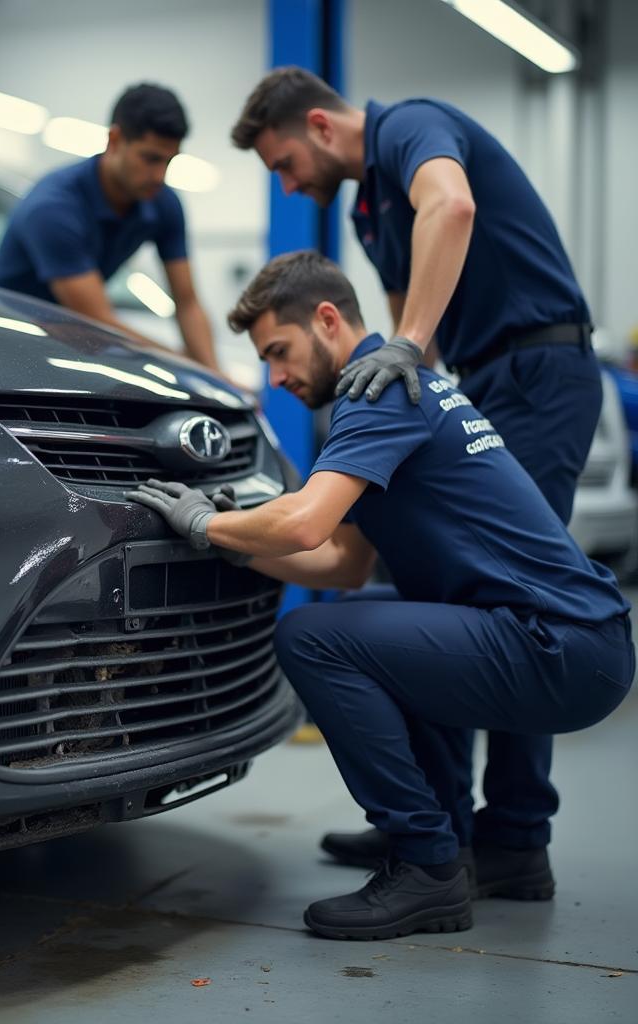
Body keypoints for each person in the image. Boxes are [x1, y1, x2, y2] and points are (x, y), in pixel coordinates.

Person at [125, 251, 632, 941]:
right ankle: (486, 847)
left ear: (328, 320)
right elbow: (343, 565)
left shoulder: (374, 393)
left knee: (313, 639)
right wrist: (241, 543)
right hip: (578, 642)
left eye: (280, 351)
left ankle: (427, 864)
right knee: (387, 619)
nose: (275, 376)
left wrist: (202, 523)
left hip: (558, 647)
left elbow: (305, 523)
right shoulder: (407, 388)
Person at [230, 68, 604, 885]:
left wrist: (404, 351)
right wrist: (397, 418)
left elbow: (454, 208)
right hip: (474, 373)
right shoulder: (370, 210)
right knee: (436, 593)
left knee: (510, 595)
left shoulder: (409, 129)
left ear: (321, 126)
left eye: (285, 163)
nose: (291, 185)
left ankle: (513, 835)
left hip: (538, 366)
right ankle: (438, 823)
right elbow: (410, 331)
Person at [0, 83, 221, 372]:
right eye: (150, 159)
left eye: (169, 161)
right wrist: (182, 363)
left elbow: (188, 303)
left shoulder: (163, 202)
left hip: (66, 334)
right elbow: (97, 322)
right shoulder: (53, 207)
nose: (160, 175)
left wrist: (217, 375)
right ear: (115, 140)